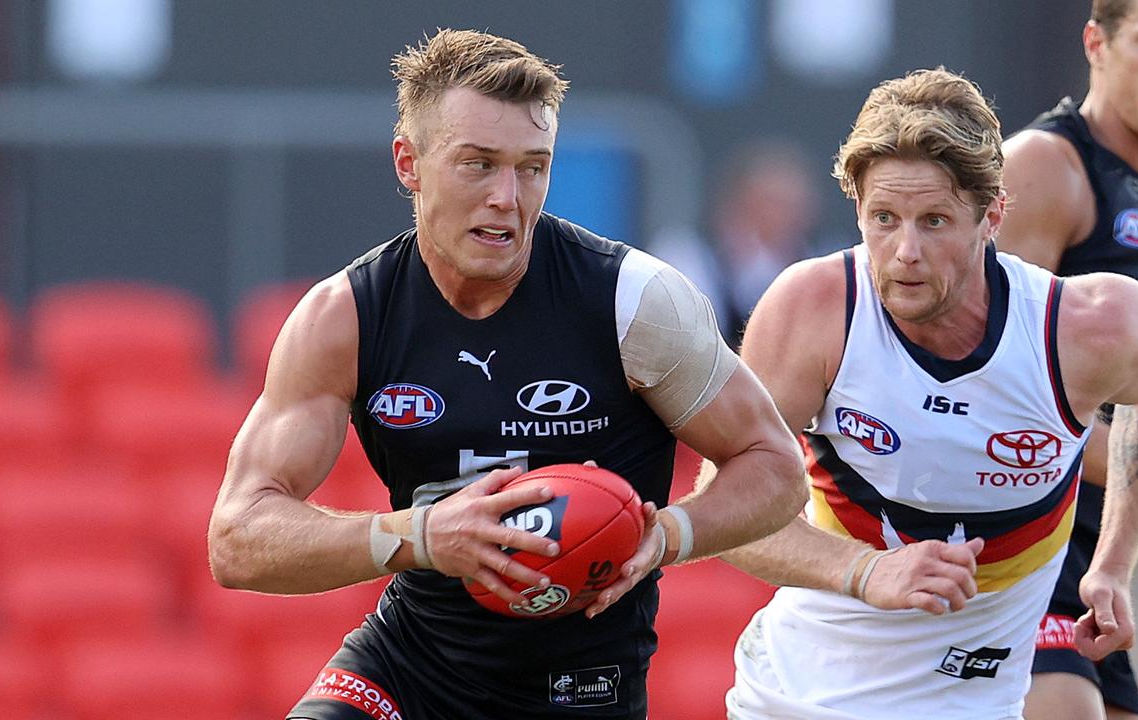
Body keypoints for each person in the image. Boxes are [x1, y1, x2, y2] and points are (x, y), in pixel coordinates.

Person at [207, 28, 807, 720]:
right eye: (478, 164)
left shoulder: (632, 300)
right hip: (407, 667)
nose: (507, 196)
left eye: (531, 167)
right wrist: (420, 536)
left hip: (579, 689)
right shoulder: (345, 317)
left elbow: (776, 468)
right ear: (409, 163)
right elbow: (237, 538)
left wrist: (667, 534)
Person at [705, 66, 1138, 720]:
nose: (904, 253)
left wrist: (1113, 561)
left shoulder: (1090, 325)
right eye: (882, 218)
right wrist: (865, 571)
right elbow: (724, 509)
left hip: (978, 700)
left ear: (992, 216)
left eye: (933, 221)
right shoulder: (811, 310)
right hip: (800, 695)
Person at [998, 2, 1138, 718]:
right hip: (1022, 541)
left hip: (1104, 554)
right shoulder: (1045, 167)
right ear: (1095, 43)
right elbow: (992, 379)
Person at [648, 139, 824, 344]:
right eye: (772, 203)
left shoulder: (828, 268)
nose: (788, 217)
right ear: (738, 203)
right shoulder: (685, 260)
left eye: (795, 206)